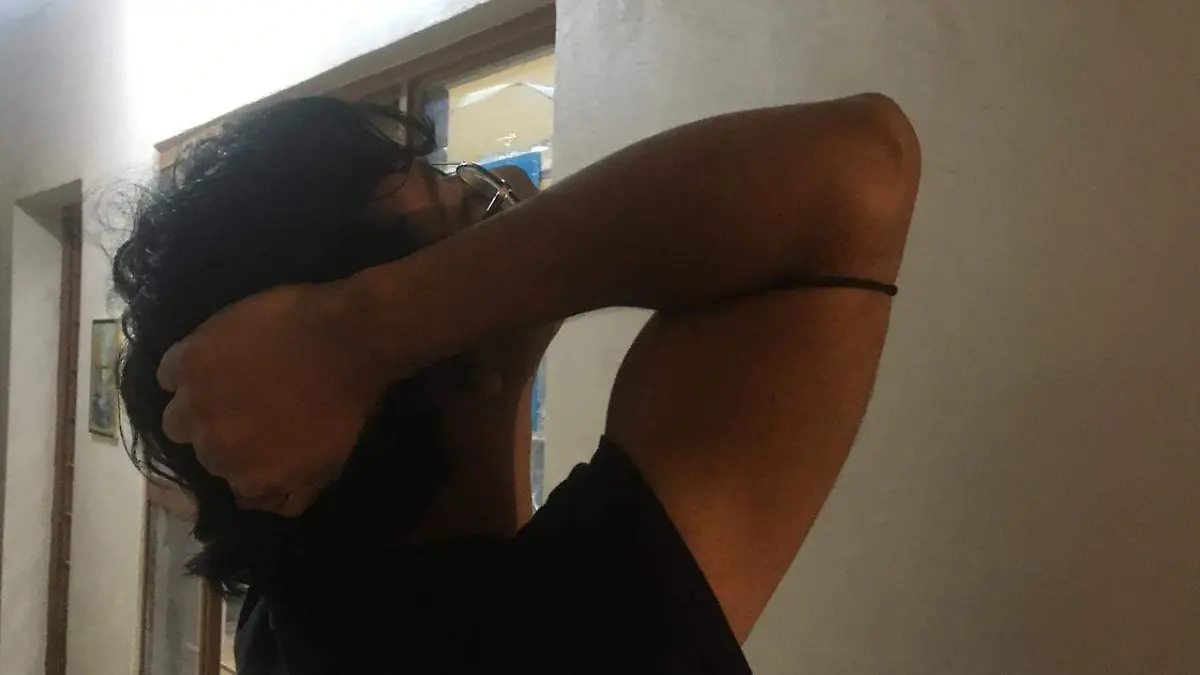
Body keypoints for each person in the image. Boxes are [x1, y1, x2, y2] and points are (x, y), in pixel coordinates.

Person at [116, 92, 920, 674]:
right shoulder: (570, 637)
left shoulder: (296, 610)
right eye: (470, 207)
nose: (510, 191)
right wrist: (357, 331)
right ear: (441, 363)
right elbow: (858, 168)